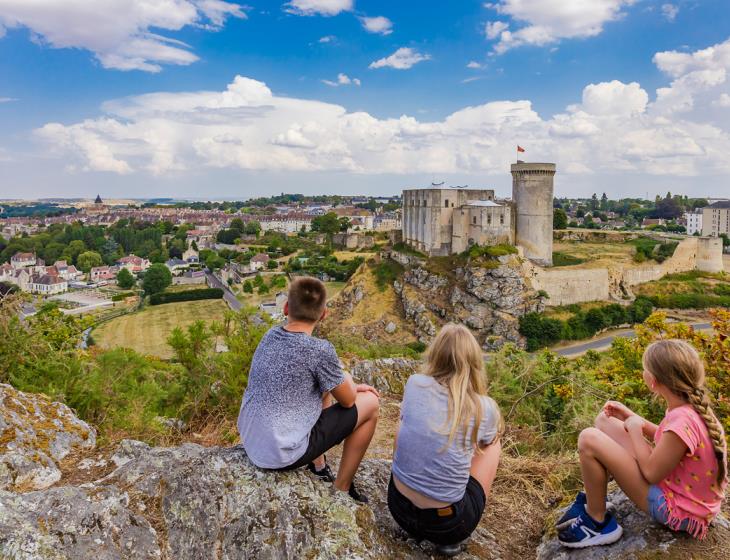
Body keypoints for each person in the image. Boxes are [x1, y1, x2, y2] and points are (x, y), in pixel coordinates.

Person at [558, 339, 728, 548]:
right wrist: (632, 417)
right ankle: (595, 497)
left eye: (645, 369)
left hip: (676, 510)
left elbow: (651, 473)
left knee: (588, 438)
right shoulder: (689, 407)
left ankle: (596, 522)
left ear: (654, 381)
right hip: (680, 492)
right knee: (605, 421)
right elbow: (670, 443)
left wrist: (636, 428)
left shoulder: (682, 419)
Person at [237, 277, 380, 502]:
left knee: (325, 388)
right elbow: (349, 401)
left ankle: (319, 465)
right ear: (323, 314)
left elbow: (328, 388)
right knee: (371, 404)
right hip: (281, 455)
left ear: (286, 308)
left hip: (252, 443)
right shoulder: (319, 350)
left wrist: (336, 382)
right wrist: (347, 378)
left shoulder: (269, 336)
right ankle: (341, 489)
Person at [388, 324, 503, 557]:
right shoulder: (483, 407)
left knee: (403, 421)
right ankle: (451, 541)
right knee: (493, 443)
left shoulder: (414, 383)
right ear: (473, 362)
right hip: (448, 525)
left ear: (435, 354)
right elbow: (485, 443)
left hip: (398, 508)